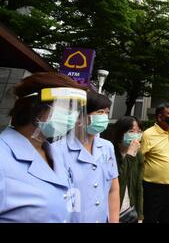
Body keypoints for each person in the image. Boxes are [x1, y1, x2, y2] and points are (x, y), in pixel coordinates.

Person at [0, 72, 87, 222]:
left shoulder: (55, 155)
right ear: (34, 106)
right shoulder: (3, 157)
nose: (73, 117)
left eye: (76, 109)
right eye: (66, 106)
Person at [53, 91, 120, 223]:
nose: (105, 117)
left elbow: (113, 189)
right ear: (79, 116)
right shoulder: (56, 151)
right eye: (100, 112)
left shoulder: (107, 147)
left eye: (107, 113)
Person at [141, 103, 169, 223]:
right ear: (159, 117)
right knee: (150, 219)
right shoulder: (147, 134)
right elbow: (139, 160)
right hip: (153, 189)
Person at [112, 116, 144, 222]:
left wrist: (140, 216)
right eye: (131, 131)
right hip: (113, 212)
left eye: (139, 131)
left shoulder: (138, 155)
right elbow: (120, 180)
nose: (136, 135)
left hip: (130, 210)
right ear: (120, 132)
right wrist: (129, 154)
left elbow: (138, 186)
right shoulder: (109, 152)